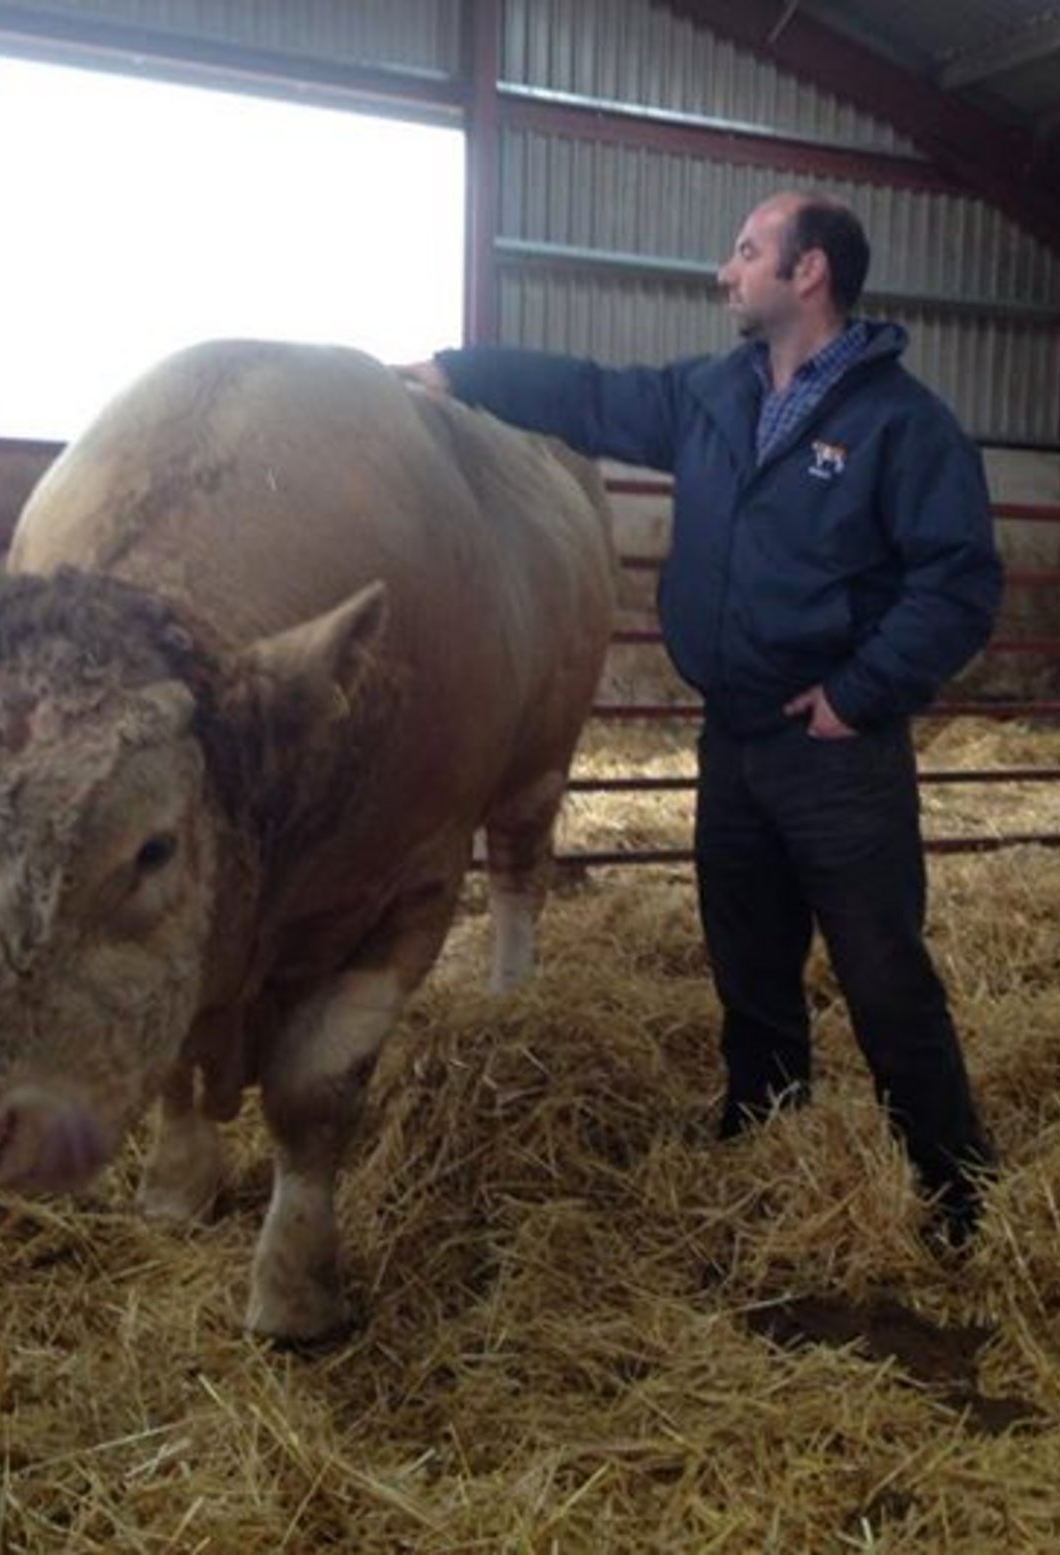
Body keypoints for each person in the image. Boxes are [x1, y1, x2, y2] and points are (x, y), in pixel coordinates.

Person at [402, 190, 1002, 1250]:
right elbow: (588, 396)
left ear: (806, 271)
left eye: (744, 251)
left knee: (879, 969)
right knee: (746, 957)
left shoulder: (899, 425)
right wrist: (459, 372)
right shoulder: (714, 397)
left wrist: (857, 695)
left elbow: (955, 585)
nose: (724, 274)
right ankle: (763, 1127)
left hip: (836, 751)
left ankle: (953, 1185)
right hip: (731, 738)